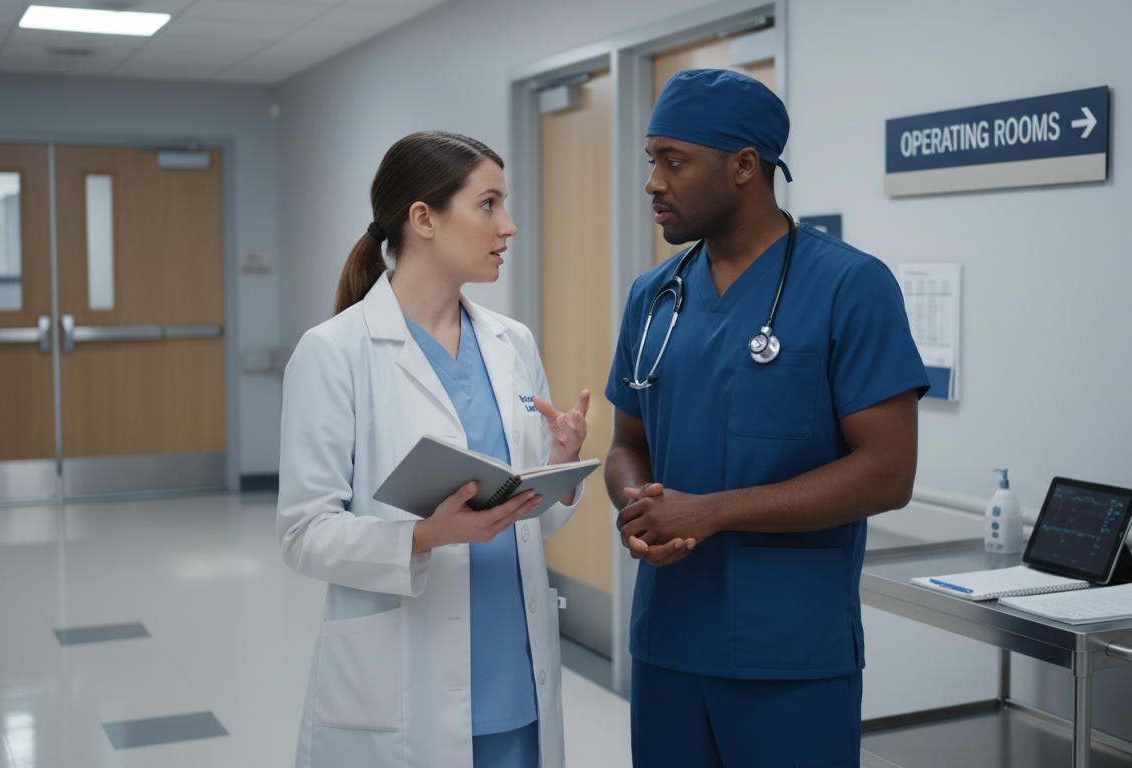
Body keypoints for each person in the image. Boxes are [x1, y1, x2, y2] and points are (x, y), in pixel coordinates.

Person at [604, 70, 931, 767]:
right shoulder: (654, 296)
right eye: (651, 160)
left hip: (791, 654)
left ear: (745, 166)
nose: (653, 183)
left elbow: (888, 472)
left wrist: (712, 512)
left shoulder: (850, 285)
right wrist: (639, 505)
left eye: (674, 160)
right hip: (667, 641)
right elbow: (627, 441)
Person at [278, 131, 590, 768]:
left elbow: (533, 516)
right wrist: (423, 537)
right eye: (488, 205)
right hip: (401, 684)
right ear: (423, 218)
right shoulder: (335, 352)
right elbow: (304, 533)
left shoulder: (512, 342)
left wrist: (559, 465)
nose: (508, 226)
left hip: (517, 666)